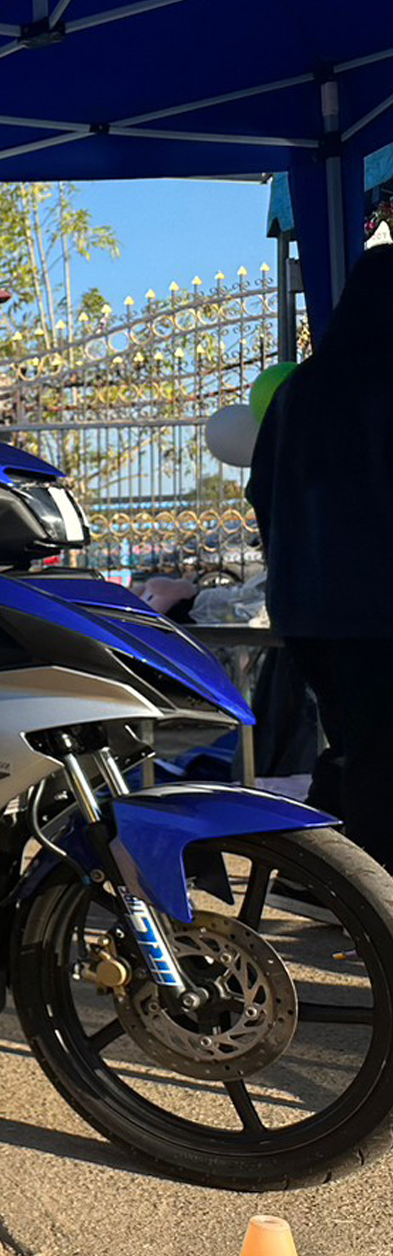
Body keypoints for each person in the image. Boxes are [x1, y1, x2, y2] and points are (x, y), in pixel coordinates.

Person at [250, 244, 393, 873]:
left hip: (307, 607)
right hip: (381, 608)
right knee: (379, 758)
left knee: (358, 744)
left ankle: (332, 877)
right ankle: (370, 890)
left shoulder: (300, 388)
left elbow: (261, 494)